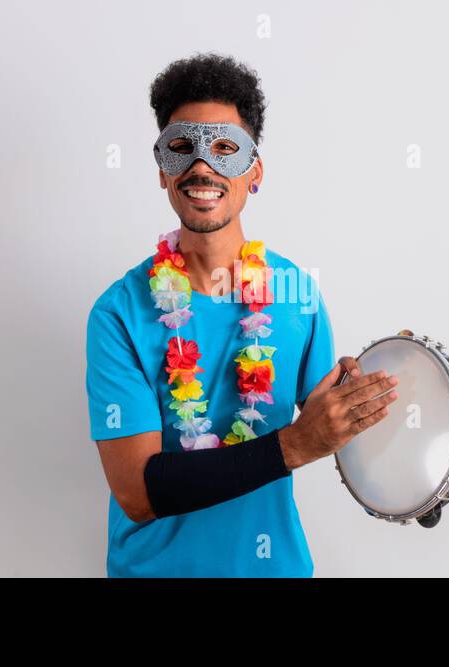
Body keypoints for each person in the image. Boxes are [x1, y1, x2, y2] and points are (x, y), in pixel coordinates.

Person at [85, 53, 398, 577]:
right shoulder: (117, 313)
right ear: (162, 169)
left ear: (255, 171)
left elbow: (334, 430)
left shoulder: (297, 293)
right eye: (182, 148)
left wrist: (396, 403)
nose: (202, 167)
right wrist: (295, 443)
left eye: (225, 149)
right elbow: (138, 493)